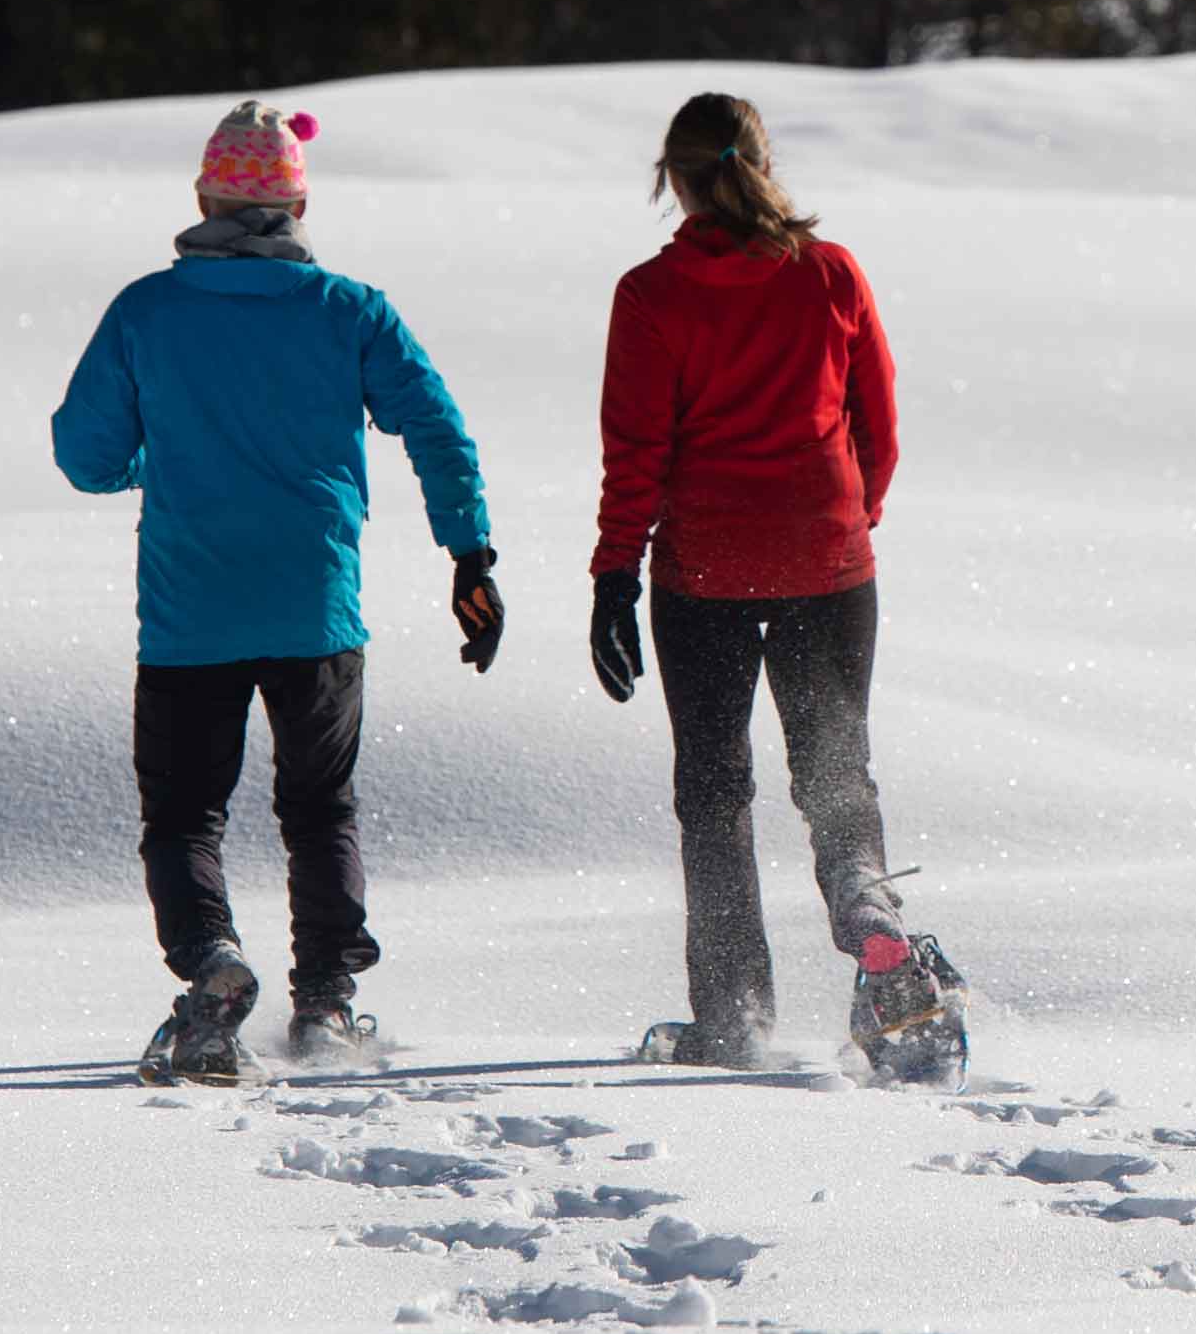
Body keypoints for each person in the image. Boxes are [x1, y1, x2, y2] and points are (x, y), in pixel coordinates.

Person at [54, 100, 503, 1084]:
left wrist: (160, 462)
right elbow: (436, 426)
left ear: (203, 197)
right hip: (316, 608)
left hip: (190, 614)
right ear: (299, 205)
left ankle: (212, 962)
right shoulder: (350, 310)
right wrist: (469, 554)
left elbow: (83, 456)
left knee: (185, 816)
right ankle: (328, 1003)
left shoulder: (146, 311)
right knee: (320, 809)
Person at [588, 92, 960, 1079]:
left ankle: (732, 1018)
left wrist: (614, 572)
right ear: (761, 161)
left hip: (703, 573)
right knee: (835, 772)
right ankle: (870, 916)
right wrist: (847, 521)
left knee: (714, 792)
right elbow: (877, 420)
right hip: (826, 563)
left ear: (672, 180)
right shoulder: (829, 272)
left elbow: (635, 450)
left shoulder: (651, 294)